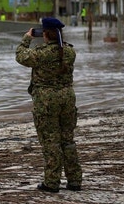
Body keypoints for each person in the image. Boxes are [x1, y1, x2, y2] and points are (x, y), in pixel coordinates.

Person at [15, 16, 83, 193]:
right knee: (67, 140)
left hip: (46, 101)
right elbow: (59, 51)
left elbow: (21, 56)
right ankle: (74, 180)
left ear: (45, 34)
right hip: (67, 98)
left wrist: (26, 38)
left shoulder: (42, 53)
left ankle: (52, 182)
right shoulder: (69, 52)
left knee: (50, 141)